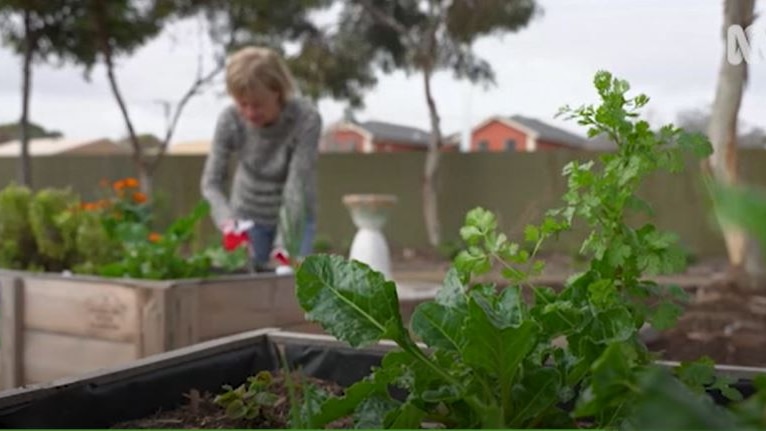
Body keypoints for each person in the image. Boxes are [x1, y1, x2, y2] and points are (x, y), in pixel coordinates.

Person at [201, 46, 320, 270]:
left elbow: (297, 187)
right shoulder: (230, 120)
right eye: (242, 103)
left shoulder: (305, 119)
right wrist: (229, 223)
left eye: (257, 104)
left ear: (278, 91)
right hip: (247, 216)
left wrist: (283, 248)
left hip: (295, 216)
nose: (249, 113)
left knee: (289, 286)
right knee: (246, 289)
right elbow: (211, 183)